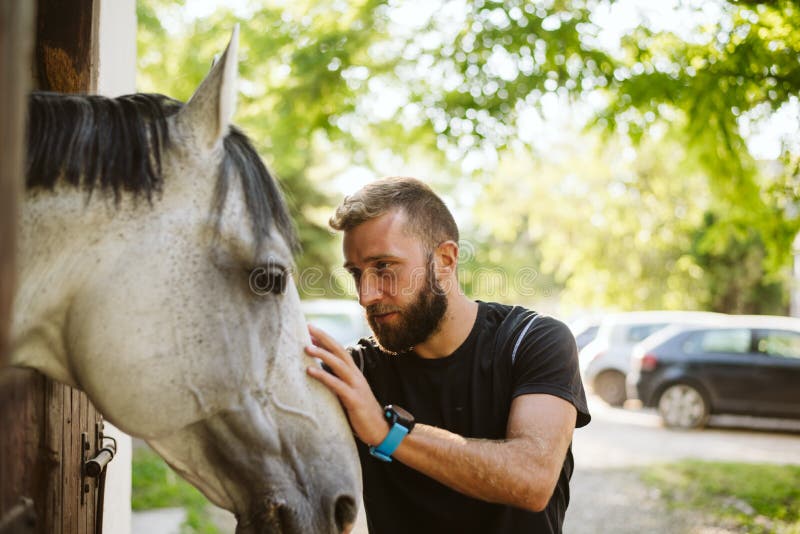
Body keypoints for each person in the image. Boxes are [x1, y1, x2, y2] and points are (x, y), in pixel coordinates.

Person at [305, 176, 591, 534]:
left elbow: (532, 479)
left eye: (384, 267)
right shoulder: (359, 373)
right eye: (356, 274)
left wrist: (385, 432)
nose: (366, 295)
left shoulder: (531, 340)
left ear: (444, 260)